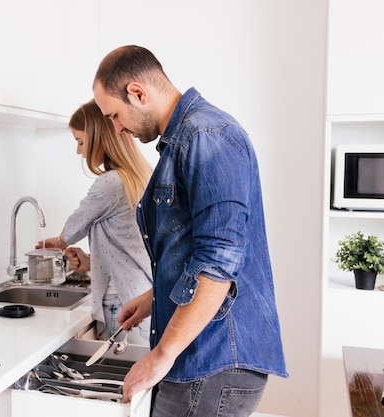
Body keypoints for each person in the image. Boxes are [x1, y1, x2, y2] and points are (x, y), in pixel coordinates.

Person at [92, 45, 288, 415]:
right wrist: (155, 298)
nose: (116, 127)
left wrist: (160, 357)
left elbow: (218, 264)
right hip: (204, 353)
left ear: (138, 92)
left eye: (115, 115)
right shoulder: (184, 140)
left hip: (213, 356)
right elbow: (196, 250)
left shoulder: (205, 136)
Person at [37, 99, 153, 345]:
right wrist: (91, 262)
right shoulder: (140, 175)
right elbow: (131, 246)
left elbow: (72, 230)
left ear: (99, 137)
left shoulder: (110, 182)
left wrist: (56, 243)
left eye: (80, 142)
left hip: (120, 301)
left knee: (114, 381)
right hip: (142, 295)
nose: (79, 151)